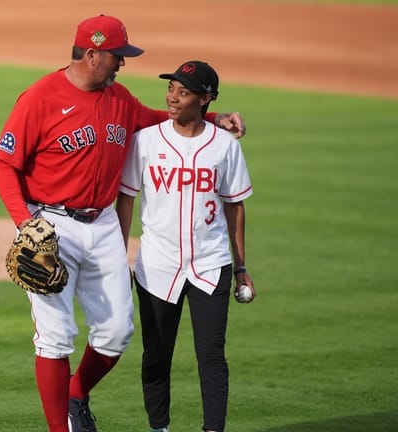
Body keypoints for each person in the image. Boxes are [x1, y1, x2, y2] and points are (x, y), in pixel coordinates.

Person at [0, 15, 246, 432]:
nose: (122, 63)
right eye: (117, 56)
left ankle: (76, 393)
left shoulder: (120, 99)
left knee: (116, 332)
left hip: (105, 224)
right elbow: (4, 166)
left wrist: (214, 119)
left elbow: (158, 120)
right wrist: (25, 225)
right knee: (55, 337)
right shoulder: (39, 98)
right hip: (51, 226)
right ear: (92, 55)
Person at [115, 60, 256, 432]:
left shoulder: (224, 147)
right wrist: (118, 256)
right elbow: (126, 199)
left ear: (205, 99)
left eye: (183, 92)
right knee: (156, 357)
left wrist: (241, 268)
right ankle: (159, 428)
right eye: (171, 89)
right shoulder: (146, 141)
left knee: (211, 357)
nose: (173, 98)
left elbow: (234, 207)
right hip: (157, 266)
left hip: (211, 265)